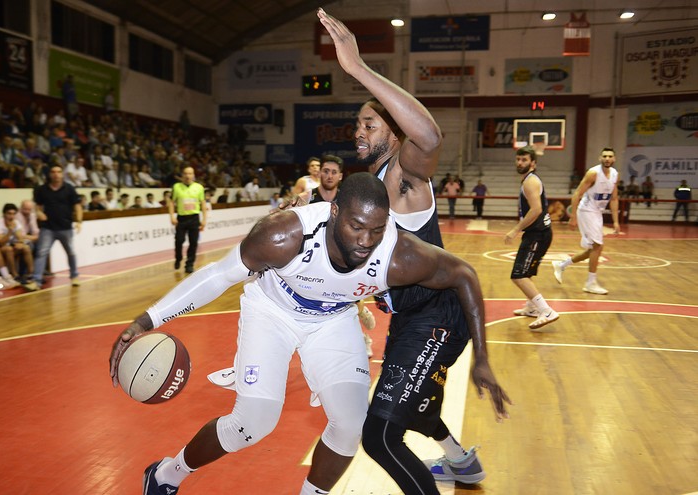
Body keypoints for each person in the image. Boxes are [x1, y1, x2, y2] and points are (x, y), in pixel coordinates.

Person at [108, 173, 509, 495]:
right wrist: (147, 320)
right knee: (252, 424)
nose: (365, 242)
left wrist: (483, 359)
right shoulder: (283, 235)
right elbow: (218, 276)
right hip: (272, 313)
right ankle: (166, 474)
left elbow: (465, 275)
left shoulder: (397, 254)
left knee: (351, 425)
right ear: (333, 212)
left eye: (376, 230)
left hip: (332, 321)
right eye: (355, 227)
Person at [319, 9, 510, 493]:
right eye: (358, 124)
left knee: (380, 436)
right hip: (411, 316)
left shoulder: (403, 178)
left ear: (393, 130)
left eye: (370, 123)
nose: (359, 131)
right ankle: (461, 462)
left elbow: (429, 137)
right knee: (417, 405)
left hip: (438, 312)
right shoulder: (367, 188)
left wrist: (358, 69)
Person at [296, 154, 376, 356]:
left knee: (348, 305)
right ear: (319, 173)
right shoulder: (306, 198)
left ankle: (363, 328)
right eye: (326, 171)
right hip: (314, 260)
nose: (329, 176)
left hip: (341, 258)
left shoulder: (347, 199)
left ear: (340, 176)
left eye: (334, 172)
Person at [503, 147, 559, 329]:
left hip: (537, 234)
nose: (520, 163)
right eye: (518, 159)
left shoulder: (530, 182)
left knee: (518, 275)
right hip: (539, 233)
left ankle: (546, 310)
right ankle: (532, 307)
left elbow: (536, 210)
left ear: (533, 163)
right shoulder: (528, 180)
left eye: (524, 160)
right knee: (525, 273)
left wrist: (515, 230)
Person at [552, 147, 620, 295]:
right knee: (598, 246)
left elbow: (614, 198)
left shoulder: (615, 175)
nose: (607, 158)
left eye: (610, 156)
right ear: (600, 158)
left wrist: (615, 221)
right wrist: (573, 216)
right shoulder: (593, 173)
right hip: (587, 210)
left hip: (597, 212)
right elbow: (577, 193)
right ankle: (590, 283)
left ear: (614, 159)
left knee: (593, 249)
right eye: (604, 156)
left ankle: (561, 265)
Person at [32, 164, 83, 289]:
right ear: (50, 174)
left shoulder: (69, 188)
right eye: (53, 172)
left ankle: (74, 276)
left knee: (70, 252)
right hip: (47, 228)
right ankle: (36, 281)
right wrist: (39, 213)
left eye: (59, 172)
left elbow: (77, 206)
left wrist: (79, 221)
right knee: (41, 253)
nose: (56, 174)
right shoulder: (42, 189)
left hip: (65, 227)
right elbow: (37, 206)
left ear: (62, 174)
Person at [170, 166, 207, 274]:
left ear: (193, 175)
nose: (188, 176)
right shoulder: (176, 187)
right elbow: (172, 202)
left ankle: (189, 264)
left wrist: (204, 219)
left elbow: (203, 204)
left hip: (194, 218)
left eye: (190, 173)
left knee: (193, 242)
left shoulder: (199, 187)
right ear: (182, 175)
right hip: (181, 218)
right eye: (185, 173)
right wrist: (172, 216)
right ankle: (178, 258)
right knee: (179, 240)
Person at [0, 203, 38, 291]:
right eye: (9, 213)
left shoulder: (15, 222)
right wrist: (10, 231)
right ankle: (15, 275)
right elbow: (1, 242)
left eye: (13, 214)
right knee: (8, 249)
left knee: (25, 248)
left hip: (12, 246)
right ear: (4, 214)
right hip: (3, 248)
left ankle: (30, 274)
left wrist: (20, 242)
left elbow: (20, 237)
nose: (11, 216)